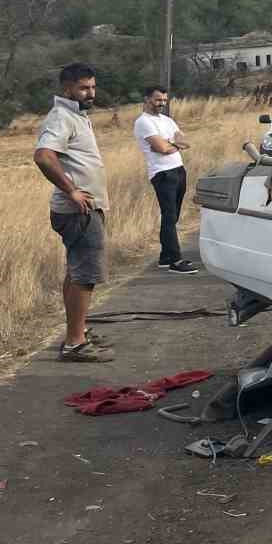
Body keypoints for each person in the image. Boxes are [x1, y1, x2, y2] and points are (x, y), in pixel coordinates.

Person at [32, 63, 114, 362]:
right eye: (83, 88)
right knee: (85, 276)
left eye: (92, 87)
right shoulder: (62, 116)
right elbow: (43, 156)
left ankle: (75, 334)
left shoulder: (77, 115)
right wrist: (71, 191)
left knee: (76, 273)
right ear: (67, 88)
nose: (90, 93)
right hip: (77, 211)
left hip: (84, 209)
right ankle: (75, 344)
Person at [133, 86, 200, 274]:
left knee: (173, 216)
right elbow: (160, 148)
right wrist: (170, 145)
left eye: (164, 100)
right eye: (157, 100)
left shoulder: (167, 120)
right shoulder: (143, 122)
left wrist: (170, 144)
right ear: (146, 99)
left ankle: (165, 256)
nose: (161, 103)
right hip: (162, 173)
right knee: (169, 216)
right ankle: (175, 260)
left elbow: (184, 141)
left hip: (178, 169)